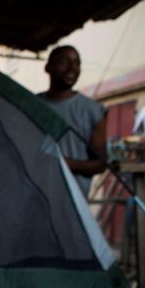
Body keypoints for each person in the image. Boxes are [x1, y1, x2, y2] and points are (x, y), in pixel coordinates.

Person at [37, 45, 108, 199]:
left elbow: (101, 163)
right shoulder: (32, 105)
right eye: (65, 61)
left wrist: (65, 164)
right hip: (36, 197)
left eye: (77, 63)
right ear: (48, 67)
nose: (73, 68)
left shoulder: (93, 110)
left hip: (73, 204)